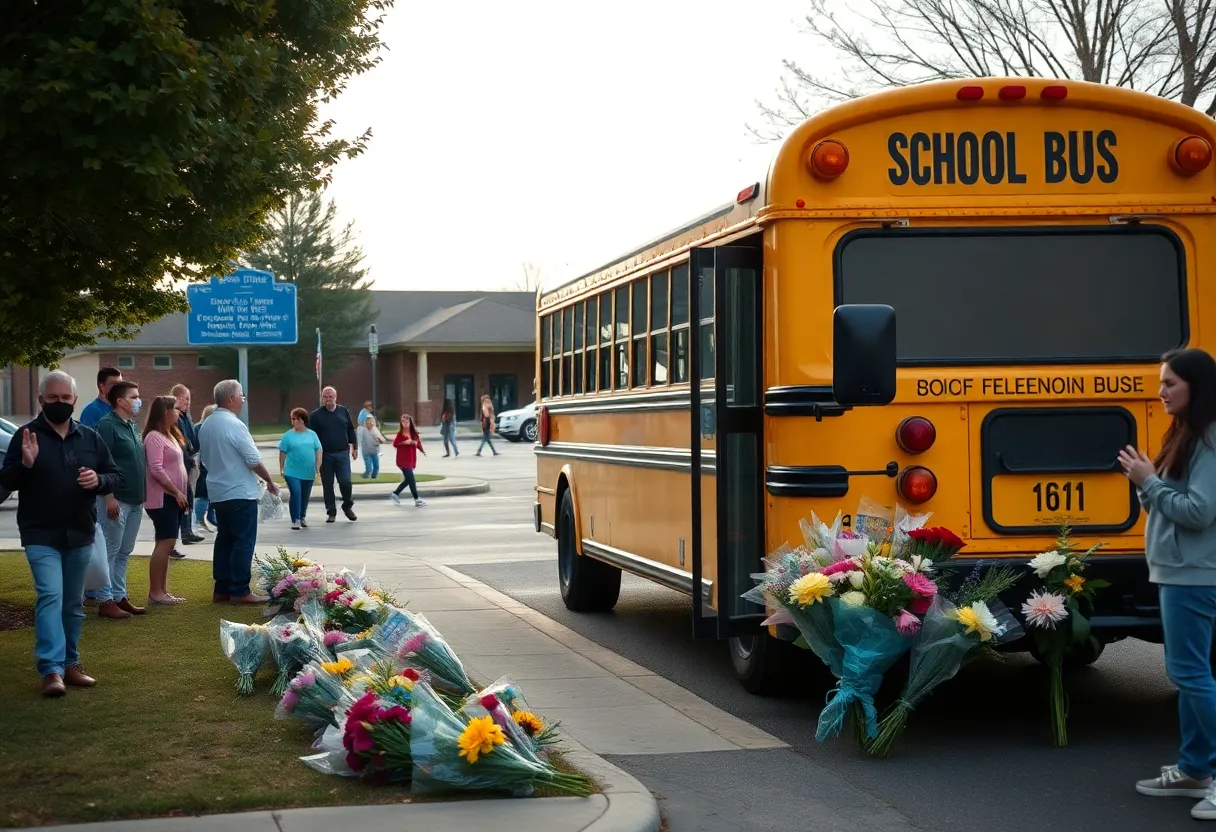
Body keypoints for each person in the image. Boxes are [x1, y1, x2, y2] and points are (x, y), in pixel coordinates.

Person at [1128, 349, 1216, 821]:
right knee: (1190, 675)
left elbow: (1200, 514)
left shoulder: (1208, 438)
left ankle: (1206, 771)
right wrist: (1146, 483)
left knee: (1191, 675)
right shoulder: (1185, 435)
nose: (1160, 392)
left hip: (1195, 575)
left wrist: (1150, 482)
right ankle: (1194, 769)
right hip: (1178, 571)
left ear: (1195, 388)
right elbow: (1167, 507)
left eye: (1170, 384)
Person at [0, 370, 120, 696]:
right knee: (50, 596)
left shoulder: (90, 437)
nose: (59, 403)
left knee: (71, 603)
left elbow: (114, 475)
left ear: (74, 400)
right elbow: (4, 484)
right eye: (52, 398)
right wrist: (24, 465)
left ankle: (71, 663)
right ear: (41, 400)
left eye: (65, 398)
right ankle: (51, 670)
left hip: (80, 533)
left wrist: (99, 481)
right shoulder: (25, 436)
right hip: (41, 534)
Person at [198, 379, 279, 604]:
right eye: (241, 395)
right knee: (243, 540)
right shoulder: (234, 424)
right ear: (231, 399)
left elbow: (204, 460)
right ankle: (240, 590)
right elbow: (253, 459)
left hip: (218, 491)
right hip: (239, 491)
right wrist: (269, 481)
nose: (243, 399)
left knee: (225, 539)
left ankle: (222, 588)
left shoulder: (207, 424)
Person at [93, 381, 147, 619]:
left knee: (124, 551)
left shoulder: (131, 426)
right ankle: (105, 601)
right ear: (120, 401)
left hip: (135, 500)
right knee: (110, 550)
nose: (138, 400)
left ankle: (119, 596)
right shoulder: (107, 426)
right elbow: (99, 463)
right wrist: (108, 496)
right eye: (134, 397)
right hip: (116, 499)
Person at [142, 396, 189, 605]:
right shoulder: (153, 437)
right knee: (166, 542)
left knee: (166, 542)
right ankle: (155, 593)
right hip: (163, 498)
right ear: (165, 412)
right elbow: (156, 469)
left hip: (174, 498)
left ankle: (161, 591)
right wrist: (176, 492)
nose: (179, 413)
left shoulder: (168, 434)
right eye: (176, 409)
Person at [80, 367, 121, 604]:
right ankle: (93, 591)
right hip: (100, 488)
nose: (117, 387)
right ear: (101, 386)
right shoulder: (92, 413)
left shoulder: (117, 411)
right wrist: (107, 493)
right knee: (100, 541)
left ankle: (99, 590)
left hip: (114, 485)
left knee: (113, 544)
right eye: (113, 383)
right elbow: (93, 455)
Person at [310, 386, 358, 523]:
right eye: (325, 396)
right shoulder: (316, 415)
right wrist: (315, 455)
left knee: (345, 481)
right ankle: (331, 511)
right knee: (328, 484)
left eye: (331, 396)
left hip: (342, 453)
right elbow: (312, 436)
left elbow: (350, 429)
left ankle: (347, 505)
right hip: (325, 455)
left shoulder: (343, 411)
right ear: (322, 398)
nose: (328, 399)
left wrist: (354, 447)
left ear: (335, 398)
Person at [170, 384, 203, 547]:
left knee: (188, 496)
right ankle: (183, 532)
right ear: (178, 398)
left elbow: (191, 437)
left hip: (189, 460)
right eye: (186, 398)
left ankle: (187, 530)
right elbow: (181, 440)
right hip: (182, 462)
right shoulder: (174, 416)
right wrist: (189, 456)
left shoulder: (185, 416)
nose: (189, 402)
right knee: (184, 496)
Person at [279, 408, 322, 531]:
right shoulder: (288, 436)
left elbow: (318, 450)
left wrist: (317, 465)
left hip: (308, 471)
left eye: (297, 419)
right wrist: (281, 468)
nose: (295, 422)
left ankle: (302, 516)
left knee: (305, 495)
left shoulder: (312, 435)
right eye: (293, 419)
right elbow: (282, 452)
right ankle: (295, 519)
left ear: (303, 420)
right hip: (292, 472)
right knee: (296, 493)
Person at [391, 415, 427, 508]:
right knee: (412, 480)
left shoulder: (413, 433)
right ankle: (417, 499)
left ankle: (395, 493)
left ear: (410, 423)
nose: (405, 423)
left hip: (410, 459)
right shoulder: (400, 434)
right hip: (403, 460)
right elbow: (395, 444)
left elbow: (417, 443)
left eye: (406, 422)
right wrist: (404, 443)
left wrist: (421, 450)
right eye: (403, 422)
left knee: (408, 479)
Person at [193, 404, 218, 532]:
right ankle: (199, 520)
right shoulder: (199, 428)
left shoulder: (213, 429)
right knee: (203, 493)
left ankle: (211, 517)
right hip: (201, 466)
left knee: (210, 494)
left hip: (212, 465)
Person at [358, 415, 387, 479]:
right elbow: (358, 438)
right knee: (368, 467)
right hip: (366, 451)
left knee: (376, 466)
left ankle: (374, 476)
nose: (370, 423)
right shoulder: (362, 430)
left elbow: (383, 440)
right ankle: (366, 475)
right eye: (368, 422)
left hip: (375, 451)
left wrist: (378, 439)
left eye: (371, 422)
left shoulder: (375, 430)